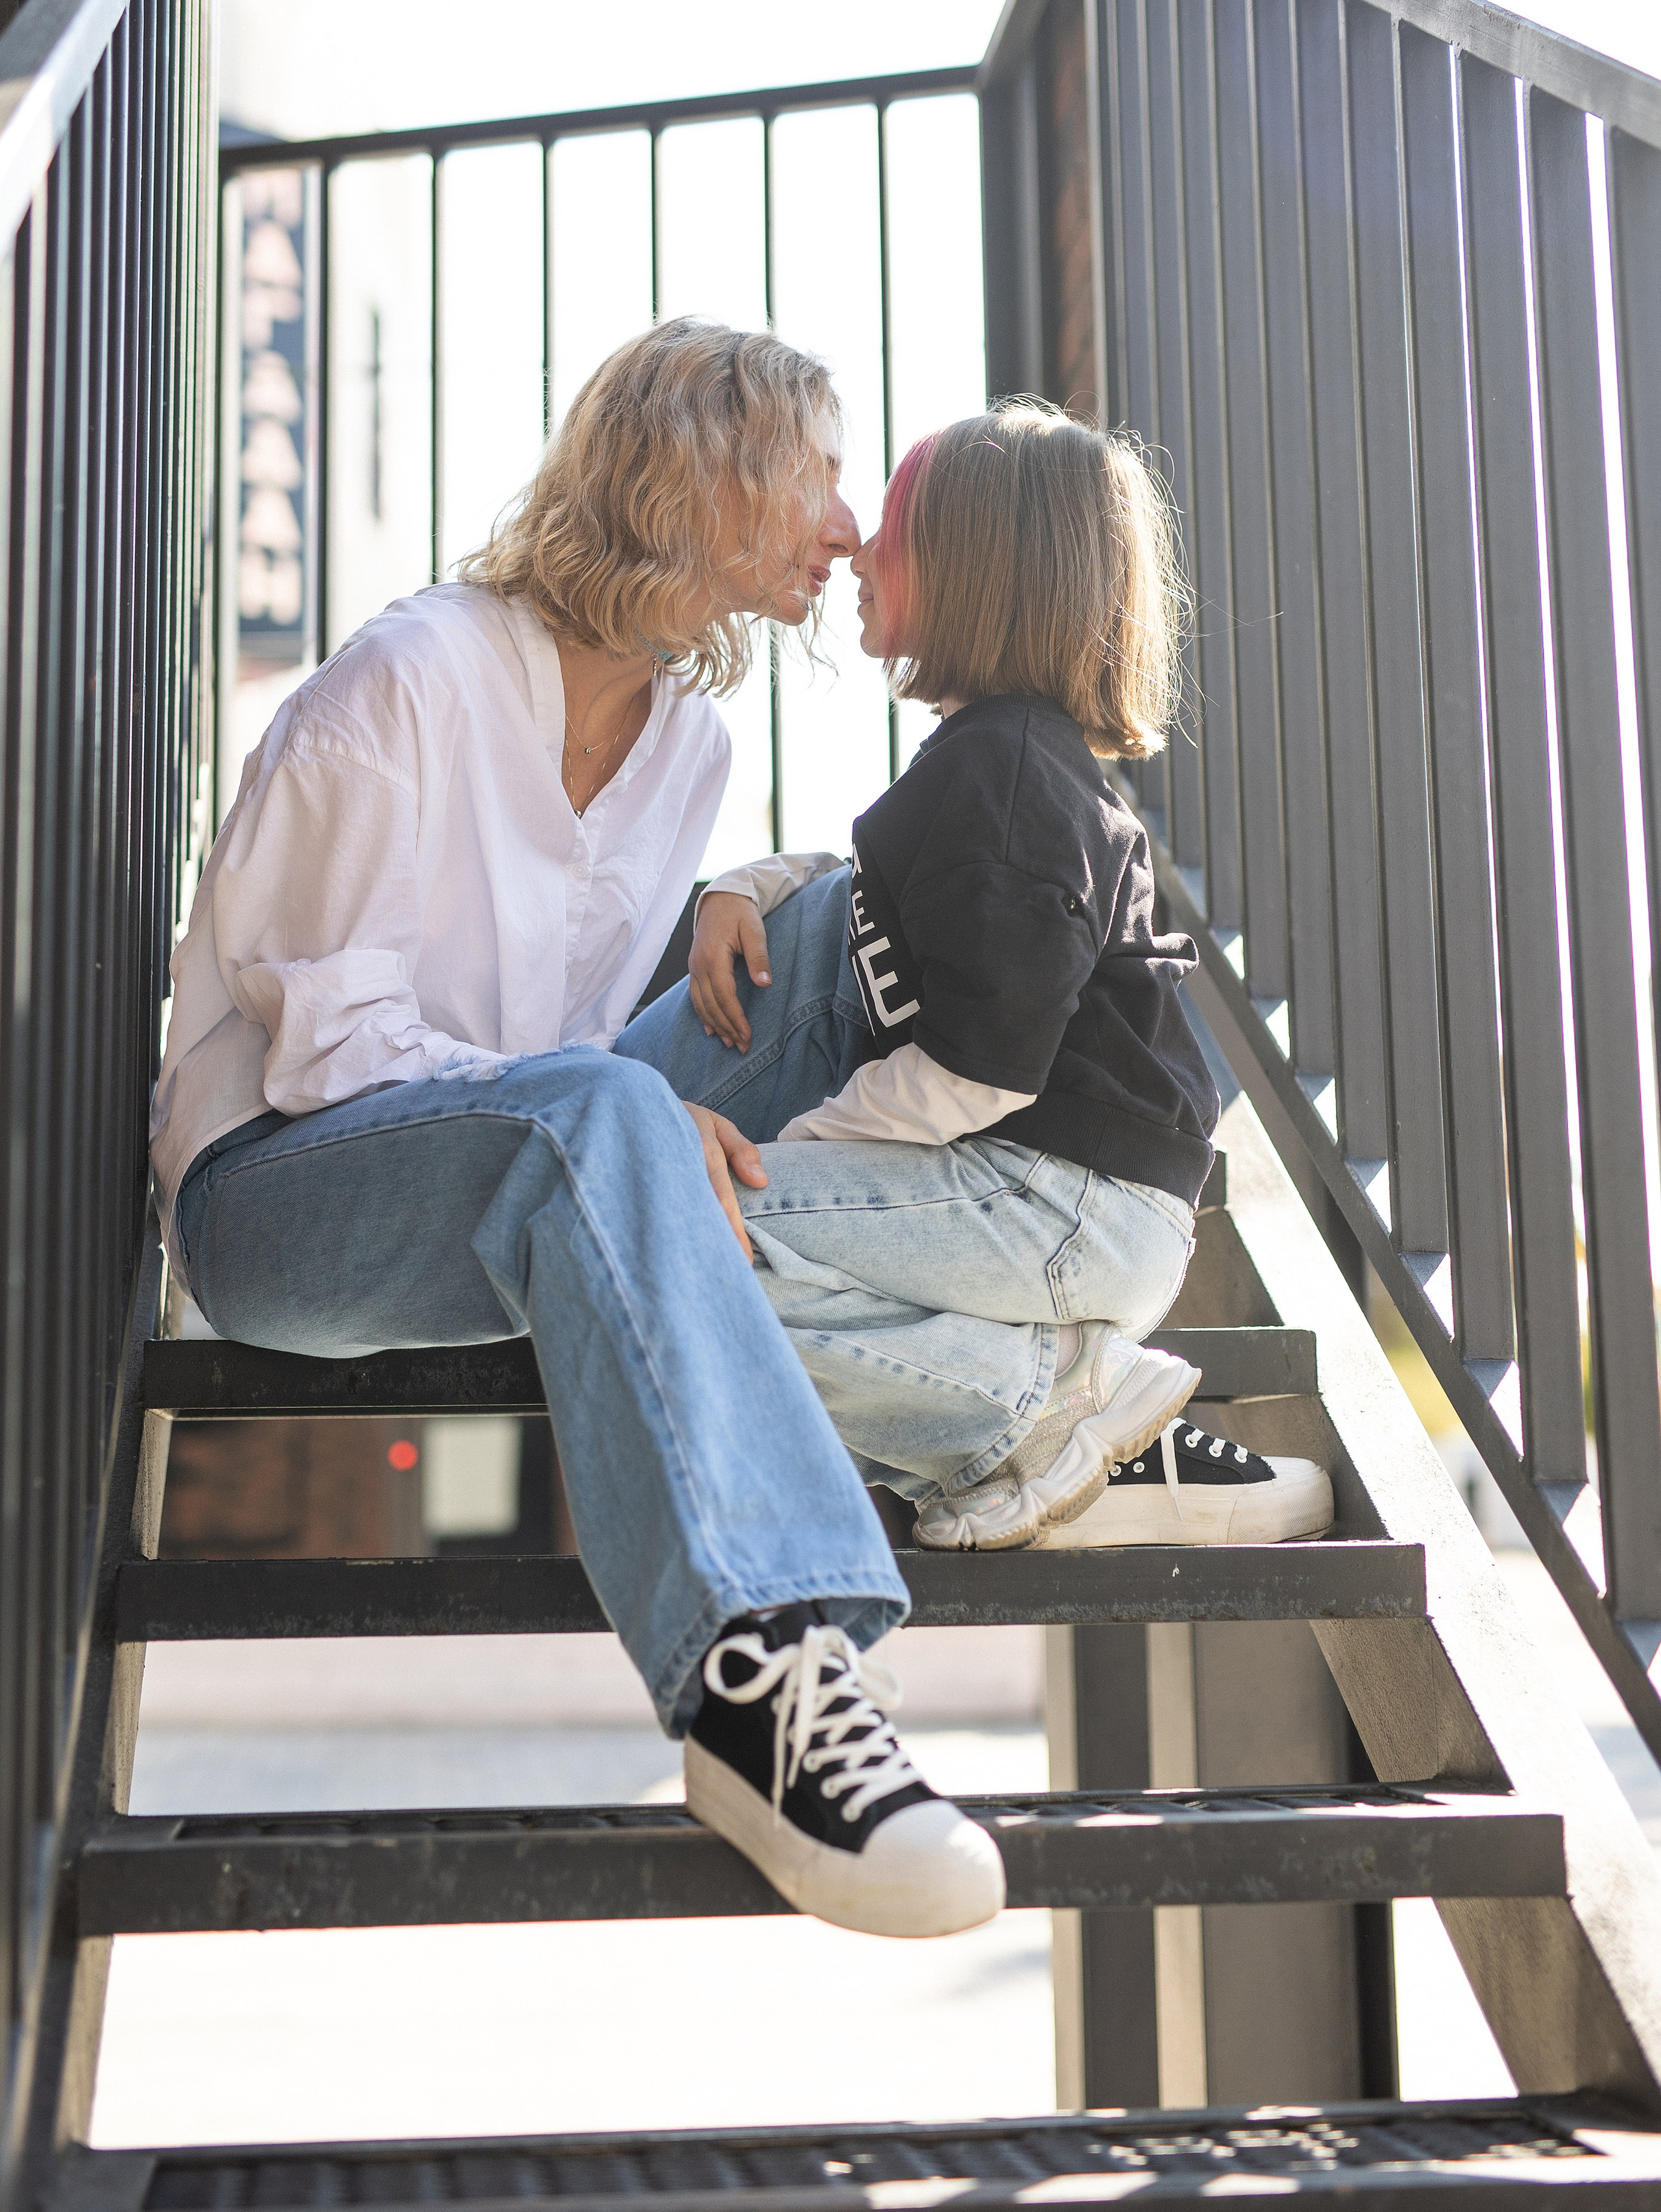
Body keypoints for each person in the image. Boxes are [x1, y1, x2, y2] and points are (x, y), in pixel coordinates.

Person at [148, 320, 1006, 1943]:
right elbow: (333, 1049)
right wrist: (624, 1105)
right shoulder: (410, 681)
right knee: (600, 1109)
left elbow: (572, 1023)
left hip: (529, 1152)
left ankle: (1058, 1366)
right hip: (279, 1196)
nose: (847, 526)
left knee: (824, 939)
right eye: (817, 476)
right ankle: (763, 1676)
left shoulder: (689, 744)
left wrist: (735, 894)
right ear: (701, 480)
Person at [620, 402, 1334, 1550]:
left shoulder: (1002, 775)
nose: (858, 550)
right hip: (1064, 1194)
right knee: (673, 1230)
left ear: (977, 572)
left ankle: (1041, 1411)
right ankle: (1055, 1412)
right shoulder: (996, 762)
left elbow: (982, 1069)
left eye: (894, 528)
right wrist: (745, 885)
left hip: (1067, 1196)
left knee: (669, 1232)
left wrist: (802, 1148)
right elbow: (874, 891)